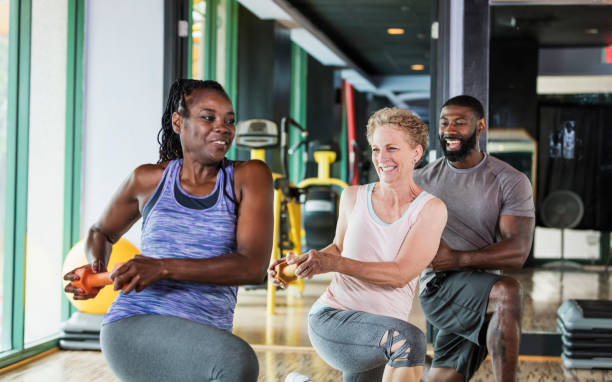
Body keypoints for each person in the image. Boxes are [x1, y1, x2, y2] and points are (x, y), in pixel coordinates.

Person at [64, 79, 273, 382]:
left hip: (203, 331)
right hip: (136, 321)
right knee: (236, 362)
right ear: (179, 122)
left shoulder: (248, 177)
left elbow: (253, 266)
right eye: (208, 117)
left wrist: (163, 268)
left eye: (229, 120)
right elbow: (101, 232)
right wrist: (98, 271)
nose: (223, 127)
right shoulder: (148, 179)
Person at [270, 108, 447, 382]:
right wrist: (302, 264)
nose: (382, 158)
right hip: (335, 318)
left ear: (416, 153)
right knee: (409, 341)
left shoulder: (430, 209)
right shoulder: (353, 197)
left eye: (392, 148)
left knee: (403, 340)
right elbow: (338, 249)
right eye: (376, 149)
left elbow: (400, 274)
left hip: (380, 330)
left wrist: (334, 263)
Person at [414, 95, 535, 381]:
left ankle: (403, 357)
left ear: (480, 127)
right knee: (509, 293)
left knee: (442, 379)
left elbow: (517, 251)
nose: (449, 130)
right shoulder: (420, 181)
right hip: (440, 287)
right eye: (444, 123)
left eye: (459, 122)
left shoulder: (510, 180)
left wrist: (457, 258)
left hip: (483, 286)